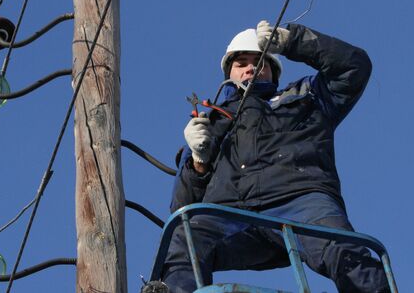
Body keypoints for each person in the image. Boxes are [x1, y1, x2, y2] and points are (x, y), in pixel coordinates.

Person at [158, 21, 389, 292]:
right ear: (227, 72)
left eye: (260, 61)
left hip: (301, 201)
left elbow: (355, 67)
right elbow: (183, 209)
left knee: (347, 255)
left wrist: (294, 41)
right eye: (241, 62)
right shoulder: (208, 125)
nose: (251, 67)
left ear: (274, 71)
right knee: (186, 237)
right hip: (231, 212)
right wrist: (199, 161)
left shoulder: (308, 96)